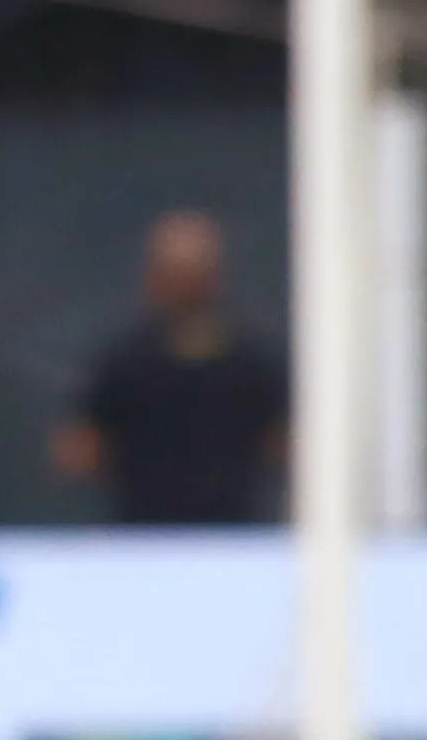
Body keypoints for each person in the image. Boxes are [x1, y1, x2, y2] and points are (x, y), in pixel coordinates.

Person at [53, 211, 289, 525]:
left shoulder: (251, 363)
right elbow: (80, 448)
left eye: (194, 273)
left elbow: (282, 441)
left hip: (234, 538)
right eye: (176, 273)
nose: (185, 285)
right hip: (143, 537)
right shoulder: (124, 362)